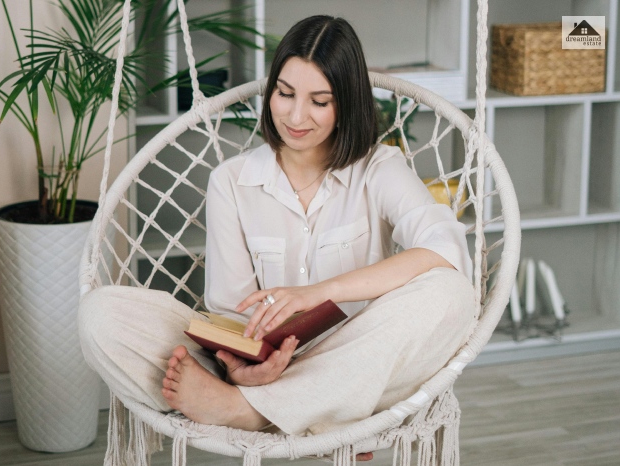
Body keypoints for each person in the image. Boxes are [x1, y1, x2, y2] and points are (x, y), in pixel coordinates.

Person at [79, 15, 476, 459]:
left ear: (346, 104)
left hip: (359, 357)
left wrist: (319, 293)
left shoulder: (378, 168)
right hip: (260, 364)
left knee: (451, 295)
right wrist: (242, 370)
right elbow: (229, 310)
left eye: (319, 101)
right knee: (101, 314)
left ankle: (250, 413)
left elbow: (446, 249)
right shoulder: (231, 180)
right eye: (284, 94)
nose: (295, 115)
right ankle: (309, 412)